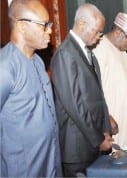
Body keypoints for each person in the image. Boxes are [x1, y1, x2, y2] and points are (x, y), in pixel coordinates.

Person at [0, 0, 62, 176]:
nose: (50, 30)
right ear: (22, 26)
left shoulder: (38, 61)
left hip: (49, 161)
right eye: (44, 25)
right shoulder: (5, 66)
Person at [50, 3, 113, 176]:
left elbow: (98, 97)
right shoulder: (65, 54)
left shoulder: (88, 53)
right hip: (77, 148)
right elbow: (75, 105)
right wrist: (99, 139)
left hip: (92, 142)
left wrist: (105, 130)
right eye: (97, 31)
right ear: (81, 24)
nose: (99, 36)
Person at [93, 12, 127, 147]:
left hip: (125, 118)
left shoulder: (124, 55)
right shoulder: (99, 48)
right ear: (117, 32)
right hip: (110, 119)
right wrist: (106, 117)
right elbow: (95, 89)